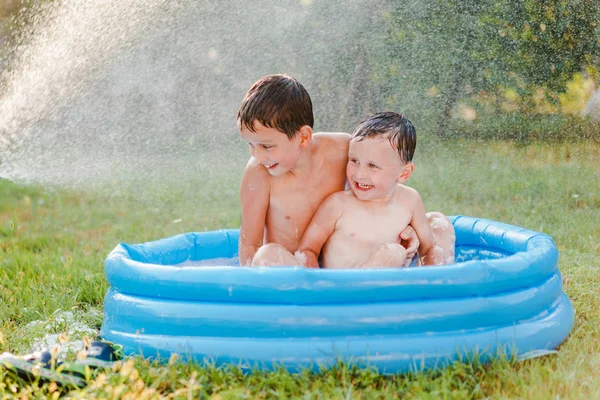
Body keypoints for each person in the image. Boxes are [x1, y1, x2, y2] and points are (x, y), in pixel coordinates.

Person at [237, 74, 453, 267]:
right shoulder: (258, 174)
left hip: (349, 261)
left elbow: (381, 186)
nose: (256, 155)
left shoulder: (342, 150)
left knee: (438, 223)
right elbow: (249, 245)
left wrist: (409, 228)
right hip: (295, 269)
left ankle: (436, 286)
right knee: (268, 254)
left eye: (266, 146)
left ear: (303, 136)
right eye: (250, 144)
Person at [294, 112, 454, 268]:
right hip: (344, 289)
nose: (360, 174)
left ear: (404, 173)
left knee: (440, 223)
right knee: (392, 253)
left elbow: (427, 248)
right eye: (354, 160)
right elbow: (307, 250)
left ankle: (441, 286)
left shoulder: (409, 200)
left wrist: (433, 268)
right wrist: (317, 287)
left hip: (390, 286)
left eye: (372, 166)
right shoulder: (337, 205)